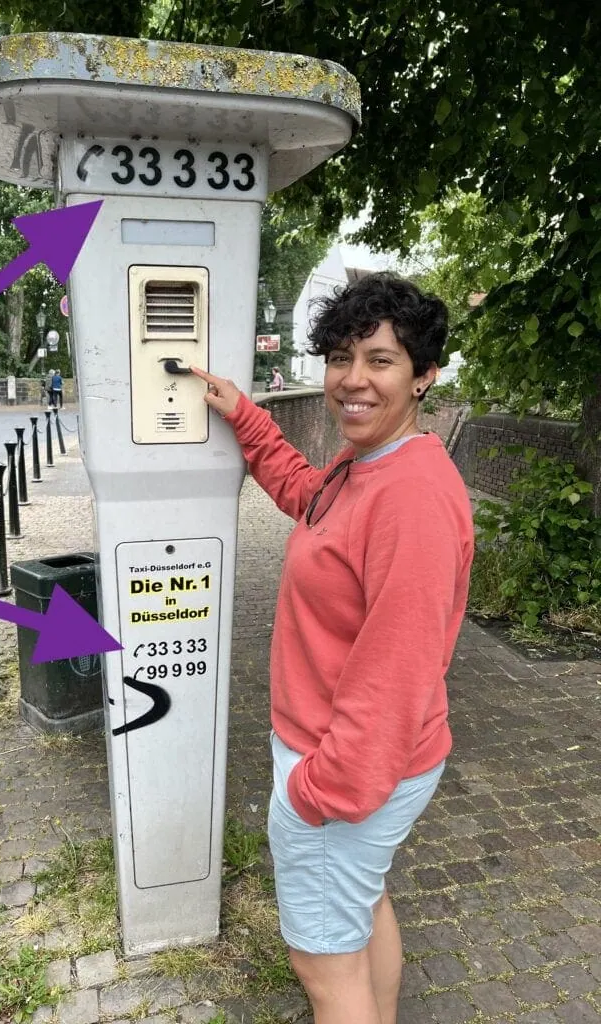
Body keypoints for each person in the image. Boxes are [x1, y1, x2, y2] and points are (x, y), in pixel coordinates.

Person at [192, 273, 474, 1024]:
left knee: (323, 966)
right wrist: (247, 420)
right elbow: (308, 498)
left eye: (380, 360)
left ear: (424, 376)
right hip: (363, 765)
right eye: (341, 357)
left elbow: (397, 671)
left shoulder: (409, 496)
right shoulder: (367, 466)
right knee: (360, 906)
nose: (353, 380)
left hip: (346, 772)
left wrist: (316, 796)